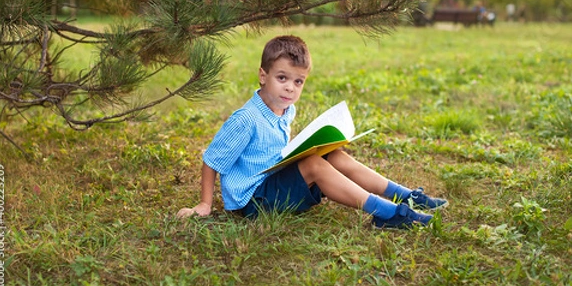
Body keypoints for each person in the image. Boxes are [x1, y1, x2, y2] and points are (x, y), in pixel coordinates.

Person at [177, 35, 447, 229]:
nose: (290, 88)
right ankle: (389, 213)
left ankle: (407, 195)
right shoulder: (246, 119)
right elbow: (211, 160)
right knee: (313, 165)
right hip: (253, 201)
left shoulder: (285, 110)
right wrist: (205, 205)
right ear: (263, 75)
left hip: (272, 180)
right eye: (281, 78)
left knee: (333, 155)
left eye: (298, 82)